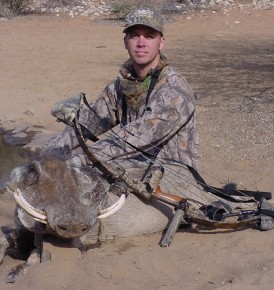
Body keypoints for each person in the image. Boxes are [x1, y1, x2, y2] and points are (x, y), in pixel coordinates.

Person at [42, 8, 199, 183]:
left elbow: (137, 138)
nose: (141, 43)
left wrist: (80, 160)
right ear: (125, 41)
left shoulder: (175, 90)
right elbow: (89, 121)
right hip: (132, 166)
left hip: (171, 178)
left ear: (161, 42)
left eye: (149, 36)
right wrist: (49, 153)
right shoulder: (121, 84)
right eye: (134, 36)